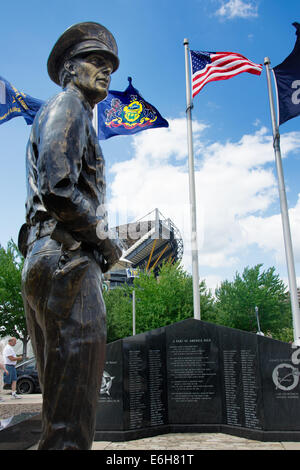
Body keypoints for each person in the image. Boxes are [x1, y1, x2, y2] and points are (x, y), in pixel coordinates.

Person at [19, 22, 122, 450]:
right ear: (68, 69)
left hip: (48, 256)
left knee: (60, 416)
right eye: (95, 61)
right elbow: (58, 188)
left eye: (109, 66)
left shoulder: (62, 110)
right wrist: (105, 239)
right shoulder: (70, 104)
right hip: (69, 259)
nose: (105, 72)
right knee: (70, 425)